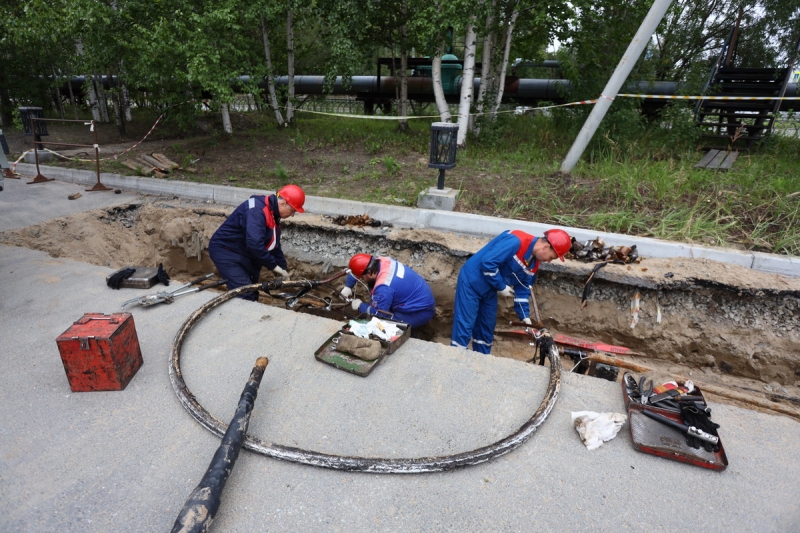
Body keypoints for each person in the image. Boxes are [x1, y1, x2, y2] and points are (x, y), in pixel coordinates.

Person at [450, 228, 571, 354]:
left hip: (489, 289)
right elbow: (488, 263)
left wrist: (524, 316)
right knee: (465, 325)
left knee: (486, 328)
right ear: (546, 246)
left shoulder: (533, 265)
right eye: (552, 257)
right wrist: (501, 286)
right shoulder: (516, 241)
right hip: (472, 281)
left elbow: (523, 289)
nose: (550, 261)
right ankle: (456, 360)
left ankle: (481, 361)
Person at [208, 184, 305, 301]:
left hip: (243, 253)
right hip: (226, 251)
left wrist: (282, 267)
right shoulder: (256, 211)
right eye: (292, 210)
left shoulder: (273, 214)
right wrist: (273, 265)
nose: (293, 215)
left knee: (252, 292)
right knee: (245, 295)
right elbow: (255, 244)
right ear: (283, 203)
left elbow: (274, 246)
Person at [341, 254, 436, 329]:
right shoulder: (382, 261)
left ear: (369, 272)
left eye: (362, 277)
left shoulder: (384, 288)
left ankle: (410, 333)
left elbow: (379, 314)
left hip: (419, 312)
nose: (362, 279)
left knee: (381, 322)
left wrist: (360, 306)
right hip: (418, 297)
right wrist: (348, 286)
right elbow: (361, 268)